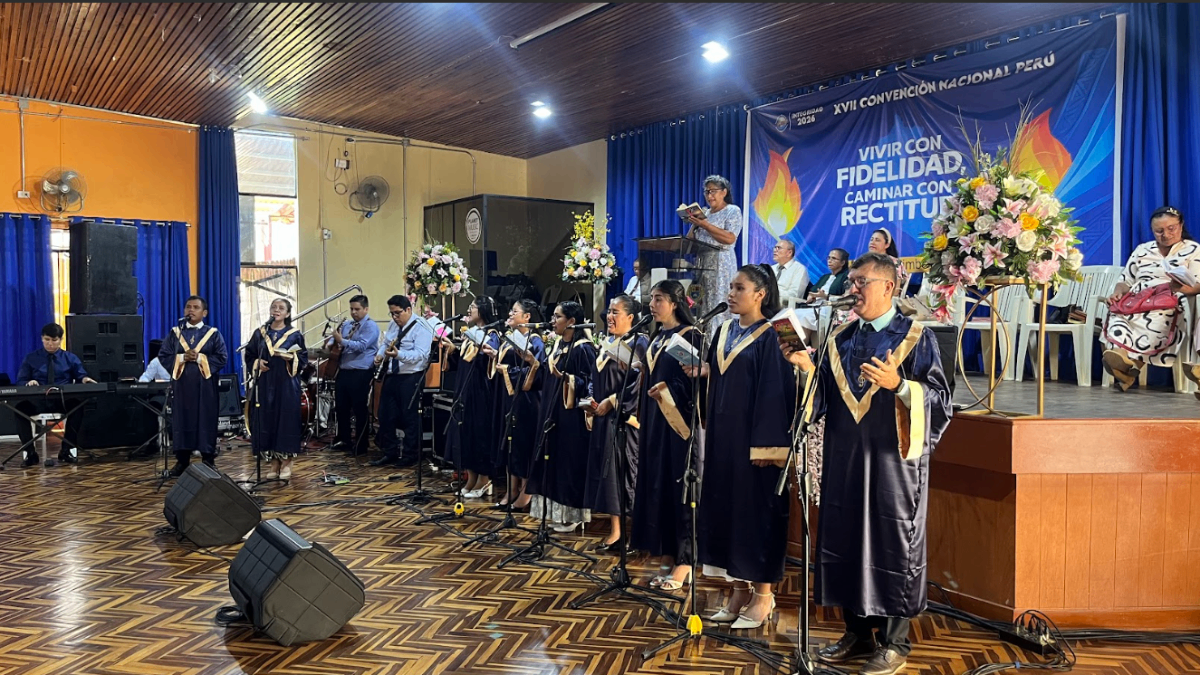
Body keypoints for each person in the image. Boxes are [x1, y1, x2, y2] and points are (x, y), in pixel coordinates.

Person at [783, 252, 953, 675]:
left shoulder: (915, 337)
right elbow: (820, 399)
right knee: (846, 537)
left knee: (891, 542)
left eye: (861, 282)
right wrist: (806, 369)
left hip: (892, 462)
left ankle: (894, 643)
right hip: (846, 456)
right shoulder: (839, 339)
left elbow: (940, 402)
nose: (852, 289)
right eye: (852, 282)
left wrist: (899, 385)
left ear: (889, 287)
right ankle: (856, 634)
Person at [683, 264, 796, 630]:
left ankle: (763, 594)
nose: (730, 294)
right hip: (723, 439)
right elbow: (725, 375)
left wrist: (768, 447)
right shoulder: (724, 329)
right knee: (727, 513)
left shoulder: (774, 332)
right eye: (730, 287)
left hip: (755, 445)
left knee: (756, 515)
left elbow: (777, 393)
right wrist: (703, 373)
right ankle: (738, 590)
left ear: (760, 294)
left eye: (739, 287)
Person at [630, 280, 702, 591]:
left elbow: (696, 382)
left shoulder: (690, 336)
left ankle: (685, 561)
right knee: (659, 486)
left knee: (680, 490)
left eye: (658, 299)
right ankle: (669, 552)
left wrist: (669, 391)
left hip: (679, 424)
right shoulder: (658, 337)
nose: (652, 304)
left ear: (675, 303)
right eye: (651, 298)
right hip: (656, 422)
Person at [1101, 206, 1200, 392]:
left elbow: (1198, 284)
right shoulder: (1142, 250)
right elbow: (1125, 280)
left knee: (1156, 319)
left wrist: (1182, 288)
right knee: (1117, 311)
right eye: (1159, 231)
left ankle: (1127, 370)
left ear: (1181, 225)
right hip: (1137, 299)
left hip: (1170, 302)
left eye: (1171, 228)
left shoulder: (1193, 250)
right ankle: (1120, 357)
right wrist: (1118, 292)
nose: (1166, 235)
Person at [582, 294, 648, 552]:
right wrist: (591, 398)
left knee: (625, 474)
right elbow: (593, 374)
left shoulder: (639, 343)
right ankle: (616, 531)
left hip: (624, 420)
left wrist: (612, 400)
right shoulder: (607, 342)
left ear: (631, 317)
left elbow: (638, 382)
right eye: (609, 311)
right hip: (603, 418)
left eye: (615, 312)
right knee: (609, 477)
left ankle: (634, 533)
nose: (609, 317)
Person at [526, 301, 596, 533]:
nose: (553, 321)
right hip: (552, 411)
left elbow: (590, 383)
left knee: (569, 462)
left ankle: (573, 513)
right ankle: (556, 511)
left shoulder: (584, 348)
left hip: (571, 418)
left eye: (558, 317)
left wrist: (567, 378)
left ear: (572, 322)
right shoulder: (557, 344)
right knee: (551, 459)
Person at [159, 295, 228, 476]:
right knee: (182, 419)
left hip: (205, 386)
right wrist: (182, 357)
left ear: (204, 312)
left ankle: (208, 459)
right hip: (182, 386)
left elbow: (222, 357)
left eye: (196, 307)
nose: (191, 310)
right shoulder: (176, 333)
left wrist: (199, 357)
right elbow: (164, 356)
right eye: (188, 307)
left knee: (205, 419)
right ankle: (182, 461)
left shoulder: (213, 334)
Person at [442, 296, 502, 498]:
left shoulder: (491, 334)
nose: (469, 310)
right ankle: (472, 477)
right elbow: (463, 363)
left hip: (480, 393)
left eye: (473, 307)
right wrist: (452, 349)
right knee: (465, 434)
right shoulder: (472, 334)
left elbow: (488, 361)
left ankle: (484, 480)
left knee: (479, 435)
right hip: (464, 391)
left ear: (483, 310)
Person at [14, 322, 97, 467]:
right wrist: (29, 383)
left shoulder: (70, 358)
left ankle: (67, 449)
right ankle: (30, 453)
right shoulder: (31, 358)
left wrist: (85, 379)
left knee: (77, 407)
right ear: (42, 339)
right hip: (38, 401)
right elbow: (21, 380)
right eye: (47, 340)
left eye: (54, 340)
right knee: (20, 409)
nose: (50, 344)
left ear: (61, 340)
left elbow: (81, 375)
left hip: (61, 400)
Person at [243, 298, 308, 481]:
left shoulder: (294, 335)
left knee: (285, 421)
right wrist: (257, 362)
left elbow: (302, 358)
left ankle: (286, 461)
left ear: (287, 314)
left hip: (286, 383)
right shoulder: (261, 332)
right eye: (274, 307)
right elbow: (250, 354)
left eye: (281, 308)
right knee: (267, 420)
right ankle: (273, 462)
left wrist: (290, 359)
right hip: (265, 383)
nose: (276, 310)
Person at [491, 299, 546, 511]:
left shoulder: (535, 341)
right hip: (508, 397)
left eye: (516, 312)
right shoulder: (509, 339)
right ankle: (511, 488)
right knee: (510, 442)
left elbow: (535, 370)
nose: (511, 314)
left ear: (527, 317)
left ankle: (525, 491)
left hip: (527, 399)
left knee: (523, 444)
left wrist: (506, 370)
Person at [370, 295, 432, 468]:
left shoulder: (422, 327)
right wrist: (380, 354)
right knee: (385, 415)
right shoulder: (393, 324)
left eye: (398, 313)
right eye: (392, 314)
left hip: (411, 376)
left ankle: (411, 454)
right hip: (392, 375)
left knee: (409, 417)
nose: (395, 317)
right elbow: (387, 342)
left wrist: (399, 355)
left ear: (408, 310)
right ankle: (389, 452)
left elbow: (421, 355)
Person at [685, 174, 743, 335]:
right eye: (706, 192)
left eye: (713, 191)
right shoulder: (705, 213)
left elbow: (729, 238)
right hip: (702, 265)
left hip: (721, 263)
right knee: (702, 305)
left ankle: (721, 340)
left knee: (719, 302)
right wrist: (694, 223)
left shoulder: (732, 211)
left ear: (724, 192)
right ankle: (703, 342)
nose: (709, 196)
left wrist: (705, 224)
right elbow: (690, 240)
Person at [330, 295, 381, 455]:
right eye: (351, 309)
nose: (354, 312)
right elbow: (339, 343)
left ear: (366, 309)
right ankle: (344, 439)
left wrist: (342, 341)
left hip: (361, 371)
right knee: (341, 407)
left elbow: (362, 346)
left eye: (357, 309)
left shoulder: (371, 326)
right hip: (344, 370)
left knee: (359, 408)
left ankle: (361, 444)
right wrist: (332, 342)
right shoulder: (347, 325)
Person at [866, 228, 908, 297]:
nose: (872, 242)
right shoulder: (867, 262)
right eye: (871, 239)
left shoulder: (894, 262)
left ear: (887, 245)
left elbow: (896, 291)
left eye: (877, 240)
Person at [771, 239, 810, 305]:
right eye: (775, 247)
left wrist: (772, 293)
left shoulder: (799, 269)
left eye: (779, 248)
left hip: (785, 306)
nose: (775, 250)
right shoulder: (772, 268)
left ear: (789, 253)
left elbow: (794, 294)